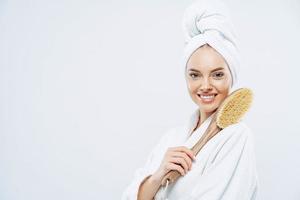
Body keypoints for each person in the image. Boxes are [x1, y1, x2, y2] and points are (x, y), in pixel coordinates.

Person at [121, 0, 259, 199]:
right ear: (186, 77)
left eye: (217, 74)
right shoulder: (171, 138)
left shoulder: (236, 136)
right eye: (195, 75)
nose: (205, 85)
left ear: (232, 76)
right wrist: (156, 177)